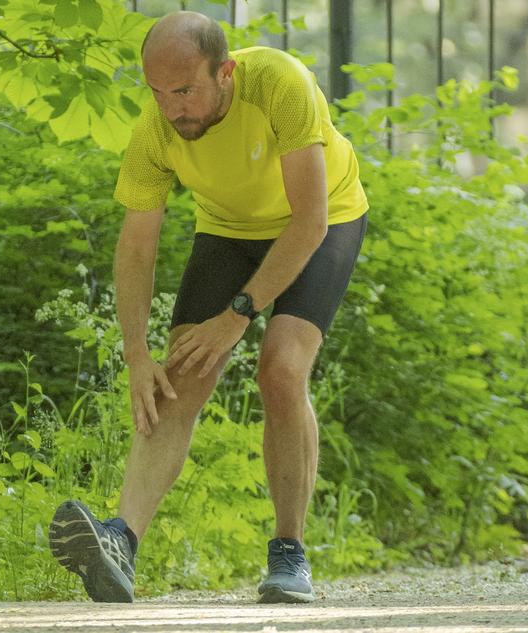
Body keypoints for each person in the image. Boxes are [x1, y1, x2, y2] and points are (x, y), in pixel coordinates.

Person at [49, 10, 368, 604]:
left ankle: (289, 553)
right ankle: (120, 540)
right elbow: (137, 245)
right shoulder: (156, 129)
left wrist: (237, 315)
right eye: (157, 92)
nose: (172, 107)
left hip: (322, 220)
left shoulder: (280, 84)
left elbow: (310, 220)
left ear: (225, 72)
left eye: (185, 90)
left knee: (281, 368)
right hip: (227, 229)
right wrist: (137, 353)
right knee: (180, 375)